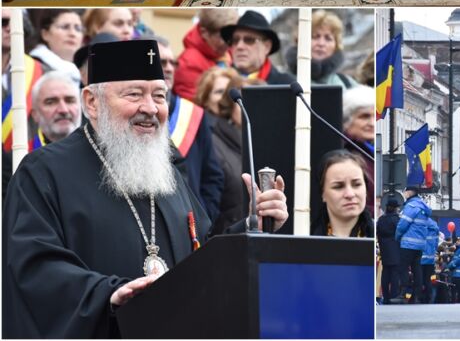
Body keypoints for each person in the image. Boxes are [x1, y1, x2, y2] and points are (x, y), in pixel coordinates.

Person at [1, 39, 288, 338]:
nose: (150, 108)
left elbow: (200, 256)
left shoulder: (165, 171)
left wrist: (251, 226)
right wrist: (106, 295)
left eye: (160, 96)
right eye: (134, 94)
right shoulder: (43, 172)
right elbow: (31, 267)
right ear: (91, 102)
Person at [157, 38, 224, 225]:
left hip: (191, 225)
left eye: (173, 63)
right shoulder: (134, 111)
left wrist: (204, 215)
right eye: (162, 62)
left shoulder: (192, 113)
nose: (169, 68)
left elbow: (213, 176)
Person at [2, 70, 83, 200]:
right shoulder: (15, 161)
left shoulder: (101, 155)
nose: (63, 109)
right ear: (35, 115)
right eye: (51, 102)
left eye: (70, 100)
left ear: (81, 106)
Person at [194, 67, 250, 235]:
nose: (224, 99)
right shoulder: (207, 137)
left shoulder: (239, 134)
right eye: (219, 92)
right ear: (205, 99)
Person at [173, 8, 238, 101]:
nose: (228, 42)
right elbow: (195, 108)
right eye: (223, 36)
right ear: (205, 33)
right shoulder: (188, 63)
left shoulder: (226, 54)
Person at [283, 9, 358, 88]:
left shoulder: (348, 85)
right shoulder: (280, 81)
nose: (321, 43)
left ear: (336, 45)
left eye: (328, 38)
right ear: (299, 41)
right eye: (315, 37)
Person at [220, 11, 295, 84]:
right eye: (235, 40)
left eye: (249, 40)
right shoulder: (220, 82)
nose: (239, 46)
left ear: (266, 47)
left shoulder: (286, 85)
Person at [311, 150, 372, 237]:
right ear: (323, 193)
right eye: (338, 186)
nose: (350, 194)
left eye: (357, 184)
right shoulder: (305, 242)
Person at [341, 85, 375, 216]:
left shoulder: (367, 150)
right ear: (347, 120)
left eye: (374, 116)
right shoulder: (344, 154)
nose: (372, 123)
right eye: (364, 116)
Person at [396, 186, 433, 303]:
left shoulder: (411, 206)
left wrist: (397, 236)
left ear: (410, 192)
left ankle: (403, 293)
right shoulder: (423, 207)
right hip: (420, 245)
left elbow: (403, 224)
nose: (404, 194)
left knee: (403, 268)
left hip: (408, 243)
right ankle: (416, 295)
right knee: (417, 270)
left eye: (405, 191)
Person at [29, 10, 83, 84]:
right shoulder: (32, 68)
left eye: (78, 29)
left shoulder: (85, 72)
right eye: (65, 27)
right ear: (45, 34)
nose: (72, 33)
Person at [376, 199, 402, 304]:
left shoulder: (381, 219)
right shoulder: (397, 220)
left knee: (385, 274)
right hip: (395, 250)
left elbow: (378, 233)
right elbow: (400, 234)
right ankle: (394, 296)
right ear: (395, 208)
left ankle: (386, 297)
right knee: (394, 275)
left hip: (384, 250)